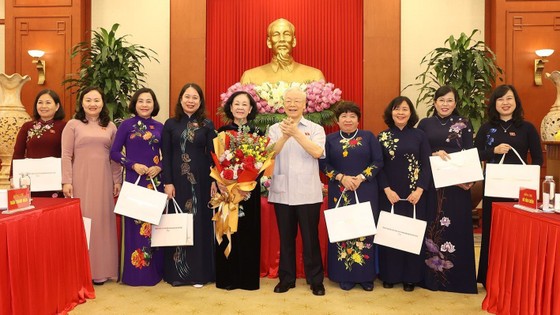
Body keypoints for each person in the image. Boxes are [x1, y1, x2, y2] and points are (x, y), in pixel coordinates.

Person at [474, 84, 542, 286]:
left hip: (520, 191)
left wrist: (528, 178)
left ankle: (517, 277)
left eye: (509, 98)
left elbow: (537, 159)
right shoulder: (487, 128)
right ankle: (488, 277)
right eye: (501, 99)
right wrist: (492, 151)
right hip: (493, 187)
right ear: (495, 104)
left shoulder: (527, 128)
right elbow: (476, 154)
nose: (505, 103)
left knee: (518, 234)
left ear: (516, 102)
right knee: (492, 231)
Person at [417, 86, 478, 294]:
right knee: (433, 225)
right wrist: (434, 153)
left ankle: (458, 280)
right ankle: (432, 279)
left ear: (455, 103)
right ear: (434, 102)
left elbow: (470, 152)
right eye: (441, 100)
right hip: (433, 183)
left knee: (457, 226)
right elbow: (418, 152)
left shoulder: (464, 124)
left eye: (450, 100)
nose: (445, 104)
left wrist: (468, 180)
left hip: (458, 185)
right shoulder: (425, 124)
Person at [268, 87, 326, 296]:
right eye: (289, 101)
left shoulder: (315, 128)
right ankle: (287, 278)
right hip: (282, 191)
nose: (292, 104)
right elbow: (269, 154)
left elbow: (317, 152)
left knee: (311, 238)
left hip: (308, 192)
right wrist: (284, 135)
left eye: (296, 101)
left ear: (304, 105)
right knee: (286, 238)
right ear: (283, 104)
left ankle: (316, 280)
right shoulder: (275, 128)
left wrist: (296, 133)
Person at [61, 86, 122, 285]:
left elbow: (115, 158)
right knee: (83, 222)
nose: (92, 104)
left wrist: (117, 180)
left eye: (96, 100)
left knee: (103, 223)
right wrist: (67, 181)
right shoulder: (73, 124)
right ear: (81, 102)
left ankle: (102, 270)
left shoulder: (111, 126)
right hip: (80, 180)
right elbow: (66, 155)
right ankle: (82, 269)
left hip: (104, 180)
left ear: (103, 103)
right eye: (88, 100)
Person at [320, 101, 383, 291]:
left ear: (358, 120)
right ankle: (343, 275)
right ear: (337, 120)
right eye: (344, 116)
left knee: (364, 230)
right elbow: (323, 164)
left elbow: (378, 161)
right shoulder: (329, 139)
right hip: (340, 191)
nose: (348, 120)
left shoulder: (368, 137)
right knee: (343, 230)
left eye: (352, 116)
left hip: (365, 189)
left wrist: (362, 177)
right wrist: (341, 178)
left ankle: (365, 276)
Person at [161, 83, 217, 287]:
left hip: (201, 182)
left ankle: (200, 274)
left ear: (200, 101)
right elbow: (165, 155)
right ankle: (178, 273)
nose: (191, 100)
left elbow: (214, 156)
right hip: (177, 181)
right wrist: (167, 182)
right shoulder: (170, 124)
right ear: (180, 99)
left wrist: (214, 181)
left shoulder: (207, 125)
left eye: (195, 97)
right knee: (179, 221)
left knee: (199, 223)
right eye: (187, 97)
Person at [110, 88, 164, 286]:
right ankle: (135, 275)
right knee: (135, 228)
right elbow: (115, 153)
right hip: (134, 180)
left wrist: (160, 167)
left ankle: (155, 273)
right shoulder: (126, 125)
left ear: (154, 104)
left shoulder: (160, 126)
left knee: (154, 228)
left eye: (148, 101)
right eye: (141, 101)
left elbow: (168, 155)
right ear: (135, 103)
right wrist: (132, 164)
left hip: (154, 183)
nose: (144, 104)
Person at [377, 96, 431, 292]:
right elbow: (378, 167)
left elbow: (426, 165)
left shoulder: (419, 136)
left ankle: (411, 277)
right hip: (389, 194)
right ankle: (389, 275)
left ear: (411, 113)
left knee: (411, 234)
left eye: (405, 109)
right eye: (397, 108)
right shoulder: (382, 136)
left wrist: (419, 190)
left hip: (414, 195)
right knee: (390, 234)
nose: (400, 112)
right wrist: (386, 189)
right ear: (391, 112)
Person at [214, 91, 262, 291]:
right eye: (237, 104)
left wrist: (247, 184)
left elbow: (261, 162)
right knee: (228, 230)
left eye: (245, 104)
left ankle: (248, 280)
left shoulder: (257, 133)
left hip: (249, 190)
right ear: (230, 107)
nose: (241, 107)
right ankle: (228, 279)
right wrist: (222, 182)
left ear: (250, 109)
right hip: (227, 189)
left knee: (249, 231)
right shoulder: (221, 132)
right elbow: (215, 161)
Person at [10, 89, 66, 197]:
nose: (43, 106)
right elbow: (18, 153)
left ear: (57, 106)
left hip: (55, 181)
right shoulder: (27, 126)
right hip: (30, 182)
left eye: (48, 103)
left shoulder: (65, 127)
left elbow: (68, 154)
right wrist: (13, 176)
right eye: (40, 102)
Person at [240, 18, 324, 85]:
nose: (282, 39)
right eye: (276, 35)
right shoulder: (250, 77)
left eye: (286, 34)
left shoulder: (314, 76)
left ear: (294, 41)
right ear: (269, 42)